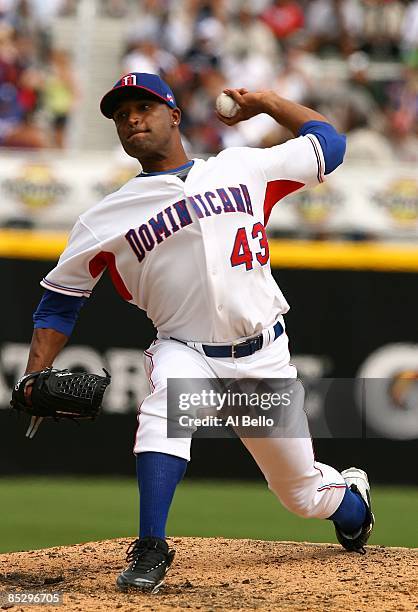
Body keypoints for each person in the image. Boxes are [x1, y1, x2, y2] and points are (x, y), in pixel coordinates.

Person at [20, 72, 374, 593]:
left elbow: (330, 145)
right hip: (185, 349)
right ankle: (150, 546)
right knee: (165, 406)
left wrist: (267, 102)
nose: (133, 119)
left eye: (143, 107)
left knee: (299, 493)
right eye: (122, 115)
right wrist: (33, 375)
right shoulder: (104, 217)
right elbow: (60, 301)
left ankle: (352, 500)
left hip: (262, 359)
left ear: (174, 116)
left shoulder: (242, 167)